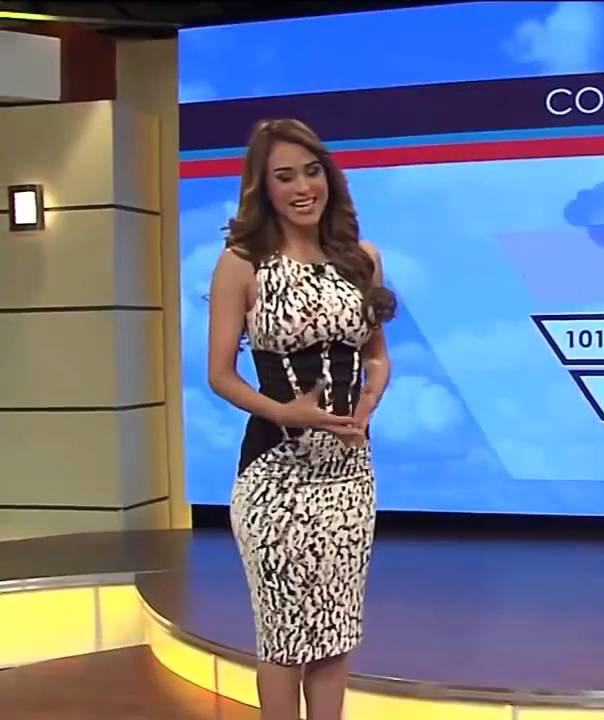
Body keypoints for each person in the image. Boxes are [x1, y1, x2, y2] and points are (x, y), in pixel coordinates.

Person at [206, 118, 395, 720]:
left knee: (335, 635)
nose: (302, 187)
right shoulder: (242, 264)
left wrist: (368, 401)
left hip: (350, 479)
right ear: (264, 188)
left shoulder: (362, 259)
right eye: (284, 177)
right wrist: (286, 411)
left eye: (311, 172)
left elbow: (377, 356)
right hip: (276, 479)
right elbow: (220, 375)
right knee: (285, 641)